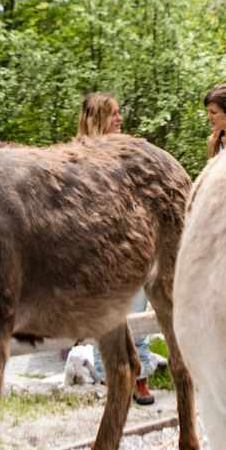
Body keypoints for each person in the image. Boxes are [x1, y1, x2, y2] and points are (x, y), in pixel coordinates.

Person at [75, 92, 156, 405]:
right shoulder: (80, 154)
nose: (120, 119)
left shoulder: (128, 149)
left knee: (136, 306)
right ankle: (113, 380)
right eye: (114, 115)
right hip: (98, 244)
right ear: (98, 119)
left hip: (130, 240)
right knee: (105, 316)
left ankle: (141, 378)